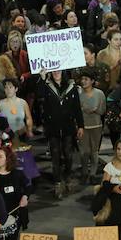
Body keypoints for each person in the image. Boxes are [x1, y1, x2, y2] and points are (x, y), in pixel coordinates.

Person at [39, 69, 84, 198]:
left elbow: (77, 108)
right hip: (52, 128)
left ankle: (68, 178)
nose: (56, 72)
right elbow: (39, 95)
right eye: (53, 70)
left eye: (58, 70)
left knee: (68, 155)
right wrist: (42, 78)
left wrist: (80, 126)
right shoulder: (46, 86)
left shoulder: (72, 87)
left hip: (68, 127)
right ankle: (58, 182)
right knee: (55, 156)